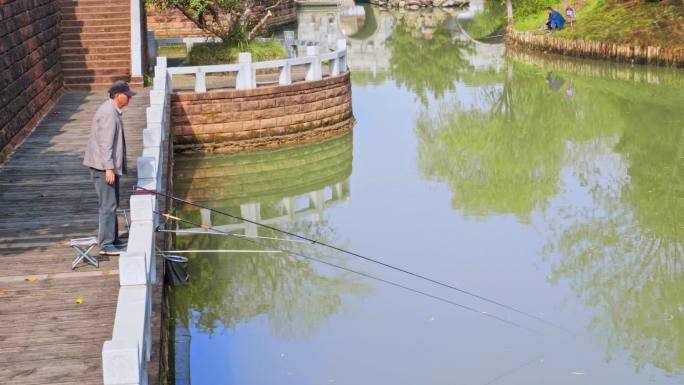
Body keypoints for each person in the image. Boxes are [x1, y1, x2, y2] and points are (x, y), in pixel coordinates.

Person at [83, 80, 136, 256]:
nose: (129, 98)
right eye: (127, 96)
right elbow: (106, 144)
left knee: (112, 203)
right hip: (102, 167)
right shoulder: (109, 114)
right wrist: (109, 168)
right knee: (108, 205)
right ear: (117, 96)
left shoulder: (111, 110)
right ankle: (106, 244)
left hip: (105, 166)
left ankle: (112, 239)